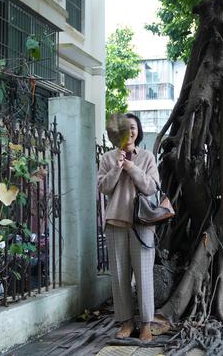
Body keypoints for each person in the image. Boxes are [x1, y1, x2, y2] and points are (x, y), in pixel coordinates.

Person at [97, 113, 159, 342]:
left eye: (133, 127)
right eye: (125, 128)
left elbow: (151, 187)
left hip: (142, 224)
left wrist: (131, 167)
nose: (129, 132)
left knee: (144, 275)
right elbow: (104, 187)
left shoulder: (148, 157)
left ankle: (146, 323)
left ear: (138, 131)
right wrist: (117, 166)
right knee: (120, 276)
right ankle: (126, 322)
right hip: (115, 222)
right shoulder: (106, 158)